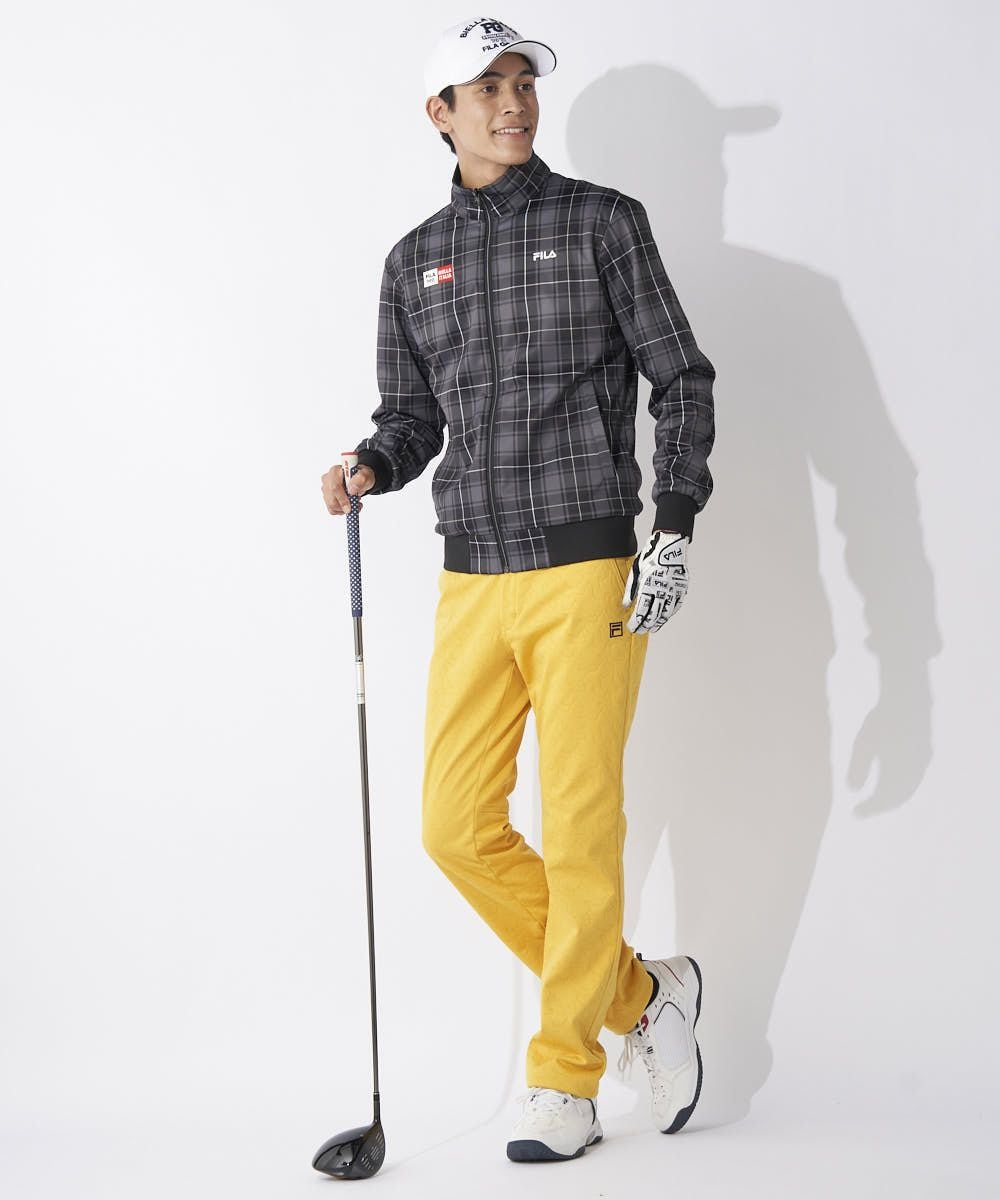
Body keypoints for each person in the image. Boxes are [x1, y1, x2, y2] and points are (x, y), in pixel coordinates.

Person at [320, 16, 715, 1163]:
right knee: (455, 828)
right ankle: (643, 998)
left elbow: (680, 378)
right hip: (472, 576)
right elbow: (412, 419)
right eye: (483, 87)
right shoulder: (412, 262)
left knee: (581, 827)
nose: (511, 103)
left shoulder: (602, 222)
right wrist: (370, 464)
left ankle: (564, 1079)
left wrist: (672, 524)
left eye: (520, 83)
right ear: (439, 114)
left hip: (586, 566)